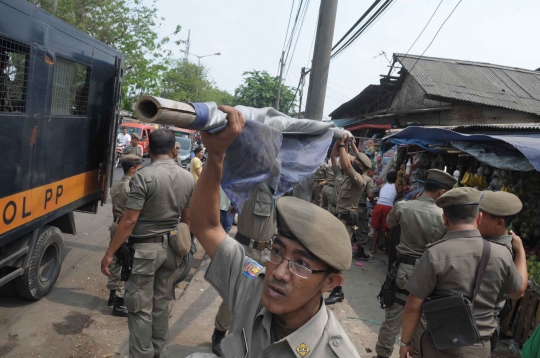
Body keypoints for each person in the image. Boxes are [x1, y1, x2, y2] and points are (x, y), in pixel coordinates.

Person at [191, 106, 360, 358]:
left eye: (301, 264)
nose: (279, 273)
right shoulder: (253, 287)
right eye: (278, 251)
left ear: (330, 282)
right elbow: (207, 226)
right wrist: (216, 154)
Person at [399, 187, 528, 358]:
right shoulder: (502, 253)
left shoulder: (436, 253)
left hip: (440, 342)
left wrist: (405, 342)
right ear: (479, 217)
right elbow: (518, 291)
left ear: (444, 219)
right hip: (479, 345)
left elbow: (413, 305)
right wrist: (521, 252)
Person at [100, 129, 195, 358]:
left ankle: (141, 354)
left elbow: (130, 219)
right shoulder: (187, 177)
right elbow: (187, 218)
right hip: (172, 250)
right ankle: (157, 351)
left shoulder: (143, 176)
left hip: (144, 252)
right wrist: (183, 247)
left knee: (140, 308)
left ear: (149, 150)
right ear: (174, 149)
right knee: (161, 305)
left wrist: (110, 252)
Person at [373, 169, 456, 358]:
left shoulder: (404, 207)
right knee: (423, 319)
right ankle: (417, 353)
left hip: (404, 270)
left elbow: (390, 223)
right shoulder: (445, 217)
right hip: (429, 273)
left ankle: (382, 354)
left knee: (393, 316)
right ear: (442, 193)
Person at [478, 190, 523, 350]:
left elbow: (518, 291)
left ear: (499, 223)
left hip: (479, 329)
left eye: (481, 215)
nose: (477, 218)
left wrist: (520, 252)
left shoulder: (501, 252)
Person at [325, 135, 367, 305]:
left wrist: (344, 144)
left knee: (339, 256)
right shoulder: (342, 176)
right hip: (335, 218)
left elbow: (347, 164)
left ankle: (338, 291)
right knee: (329, 253)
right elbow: (334, 157)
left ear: (361, 167)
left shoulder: (359, 180)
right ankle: (329, 284)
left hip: (345, 223)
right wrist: (338, 140)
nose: (352, 163)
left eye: (357, 163)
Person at [107, 154, 143, 317]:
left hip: (115, 224)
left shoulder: (116, 185)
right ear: (133, 169)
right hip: (124, 227)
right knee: (126, 264)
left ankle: (112, 295)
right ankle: (119, 303)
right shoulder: (131, 187)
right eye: (139, 169)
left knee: (116, 260)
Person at [350, 139, 375, 261]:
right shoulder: (368, 180)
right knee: (362, 230)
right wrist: (373, 202)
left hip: (350, 206)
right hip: (360, 208)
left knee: (350, 228)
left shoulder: (353, 175)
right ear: (368, 169)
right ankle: (360, 252)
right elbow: (370, 195)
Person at [370, 171, 398, 254]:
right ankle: (387, 250)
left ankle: (373, 249)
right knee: (388, 229)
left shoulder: (382, 186)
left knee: (376, 229)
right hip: (388, 207)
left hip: (378, 205)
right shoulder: (396, 186)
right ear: (396, 179)